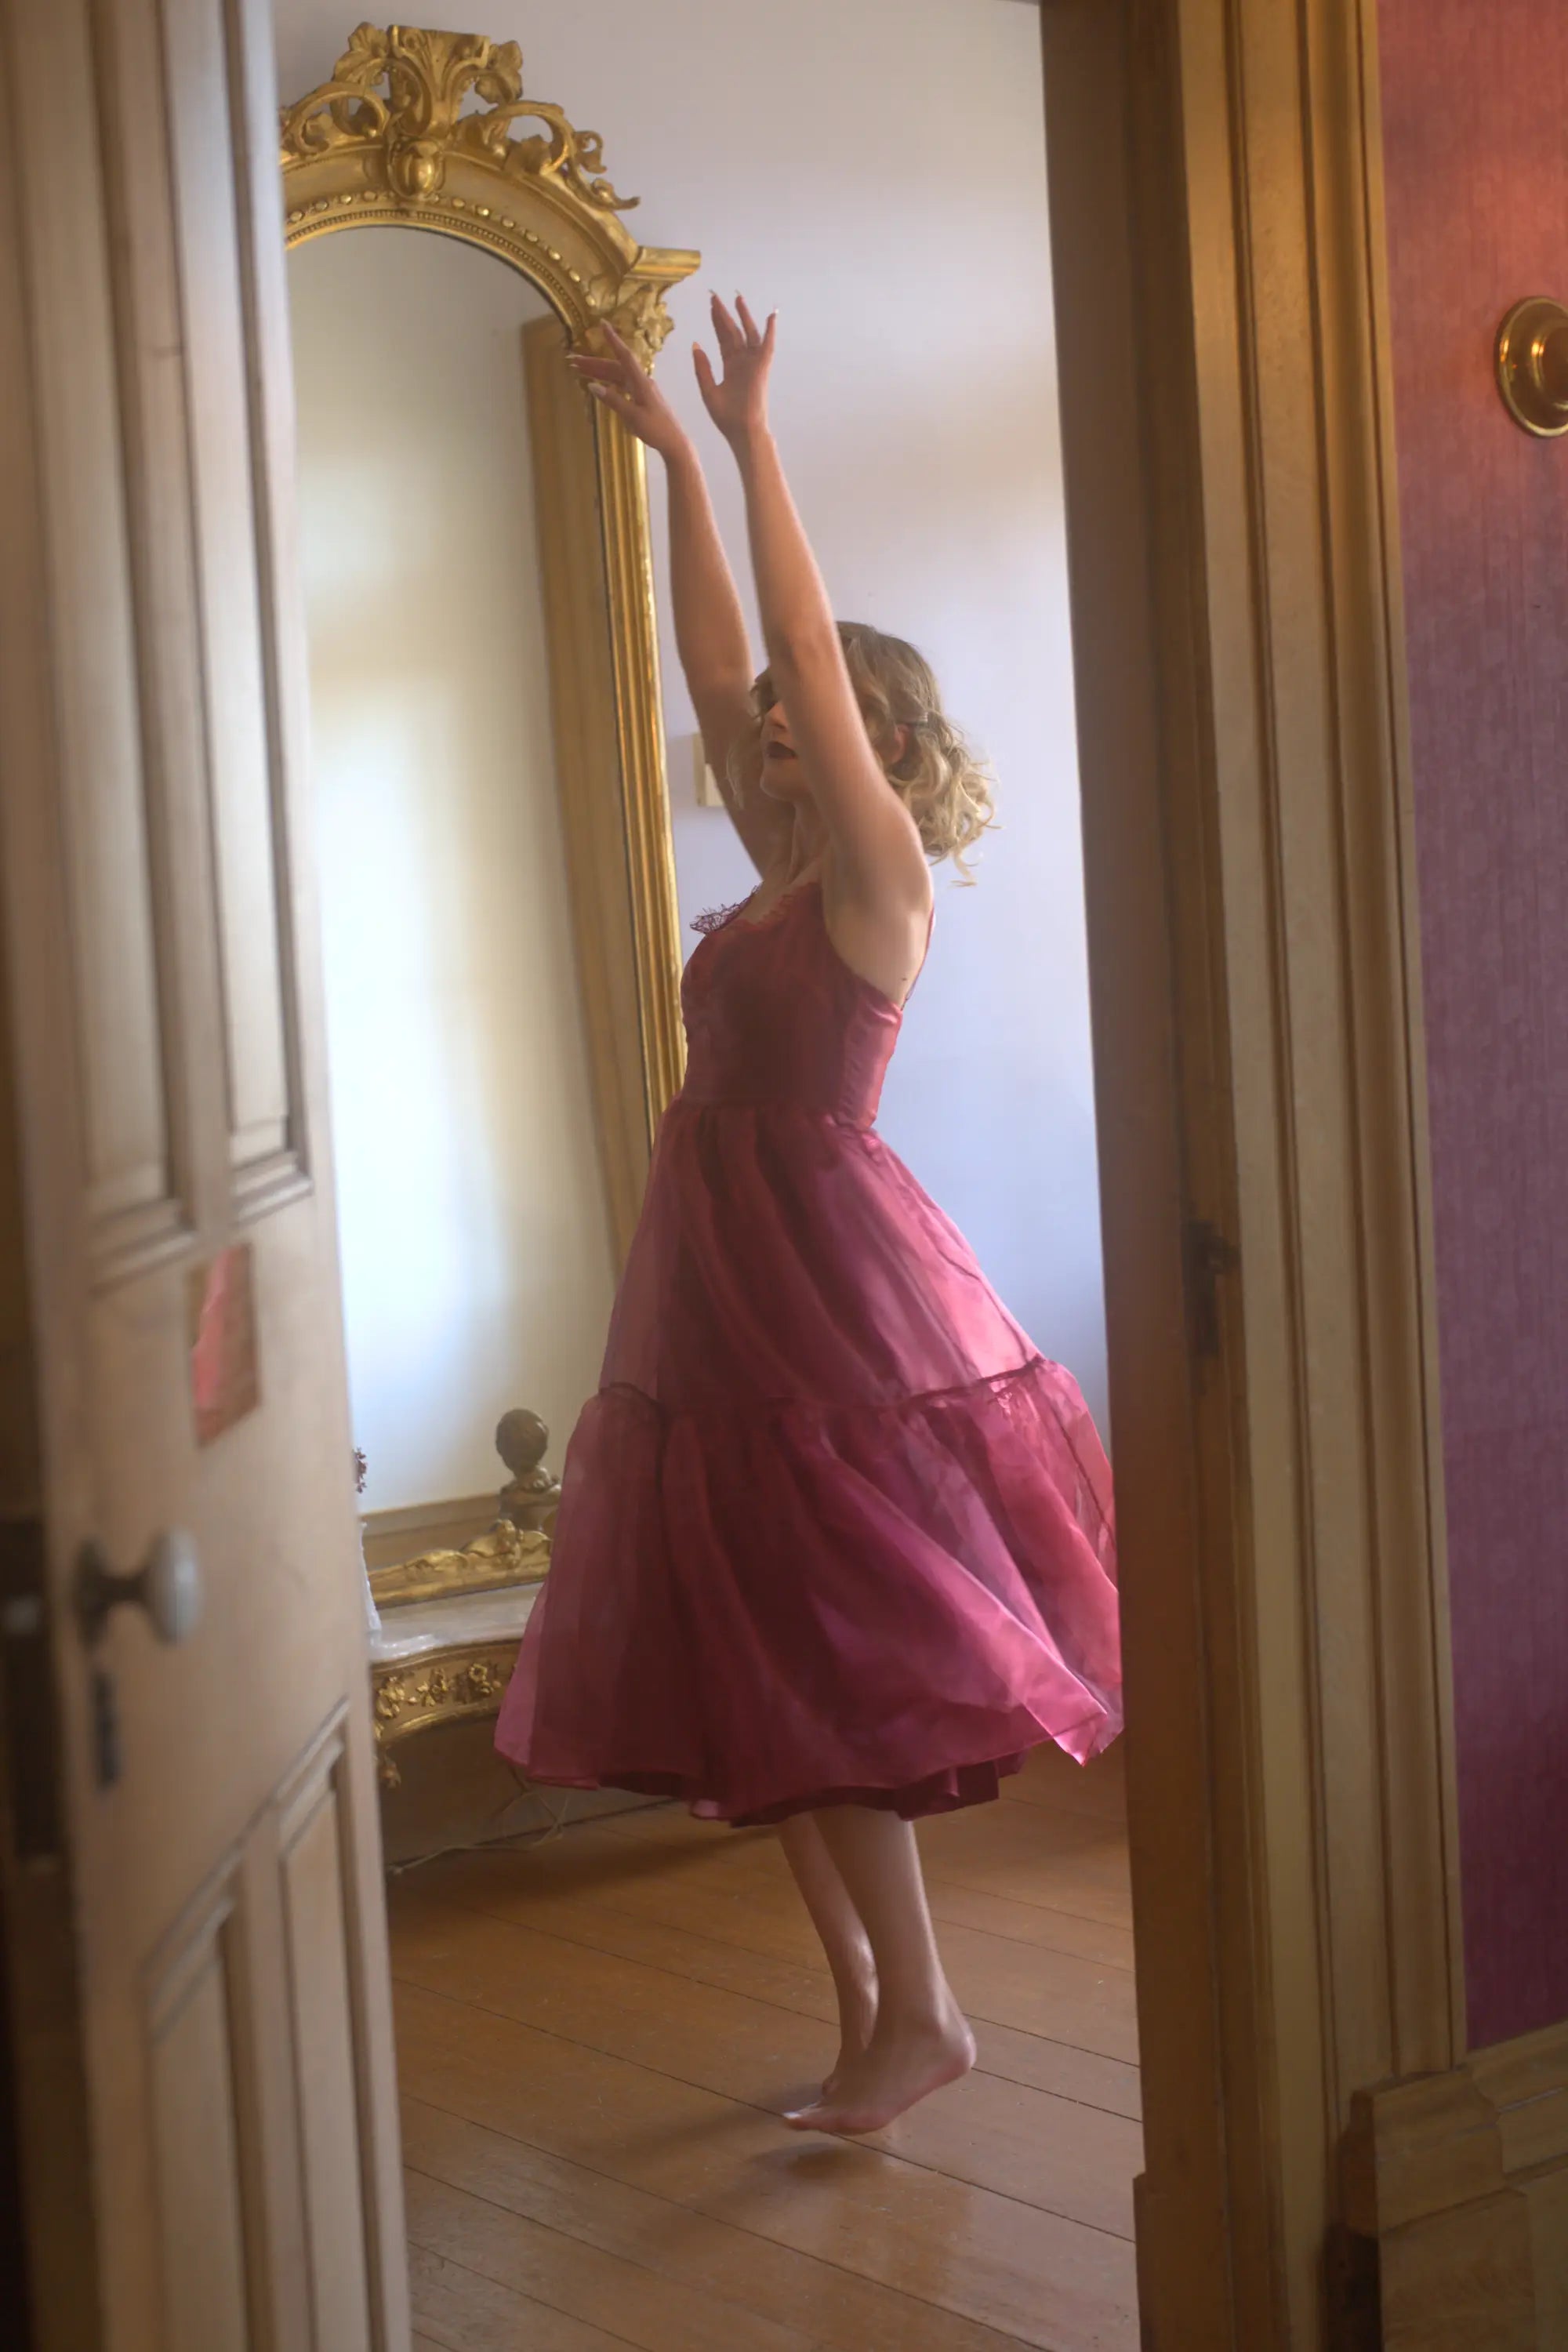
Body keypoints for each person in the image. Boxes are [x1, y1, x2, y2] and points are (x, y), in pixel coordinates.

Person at [495, 295, 1121, 2135]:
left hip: (825, 1294)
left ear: (880, 752)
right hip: (715, 1278)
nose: (768, 727)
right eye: (766, 728)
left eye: (807, 720)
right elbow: (719, 659)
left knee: (822, 1645)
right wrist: (667, 460)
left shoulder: (878, 881)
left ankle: (921, 2007)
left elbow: (789, 657)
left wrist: (755, 436)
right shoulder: (776, 879)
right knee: (751, 1635)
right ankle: (861, 2007)